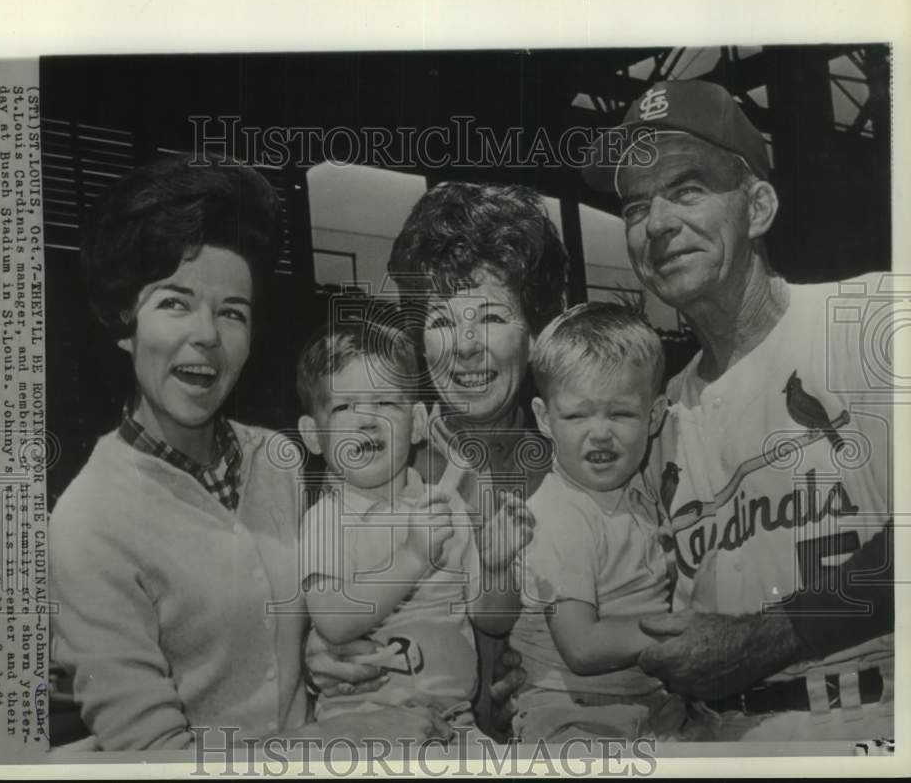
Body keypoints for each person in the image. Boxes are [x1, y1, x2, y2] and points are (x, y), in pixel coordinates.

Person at [49, 154, 451, 751]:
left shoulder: (281, 460)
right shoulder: (87, 524)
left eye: (231, 312)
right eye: (174, 302)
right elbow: (158, 760)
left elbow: (321, 603)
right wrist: (343, 736)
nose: (207, 335)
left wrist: (321, 650)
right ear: (124, 321)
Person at [582, 79, 893, 741]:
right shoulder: (655, 421)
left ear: (756, 206)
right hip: (716, 739)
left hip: (878, 716)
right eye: (635, 206)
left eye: (688, 188)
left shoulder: (873, 319)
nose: (657, 223)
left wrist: (771, 635)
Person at [387, 181, 570, 740]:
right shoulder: (383, 470)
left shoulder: (584, 460)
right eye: (441, 322)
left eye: (490, 318)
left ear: (535, 332)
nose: (465, 347)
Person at [296, 320, 497, 737]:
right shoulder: (325, 520)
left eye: (386, 402)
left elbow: (489, 616)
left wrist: (501, 563)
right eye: (343, 407)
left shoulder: (448, 505)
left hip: (456, 725)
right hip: (361, 729)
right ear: (314, 436)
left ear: (419, 422)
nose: (367, 420)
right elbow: (333, 619)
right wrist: (413, 556)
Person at [511, 302, 684, 742]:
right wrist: (688, 630)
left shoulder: (641, 494)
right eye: (577, 415)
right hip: (569, 714)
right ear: (544, 418)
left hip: (652, 706)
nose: (601, 432)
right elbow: (582, 647)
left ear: (656, 415)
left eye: (621, 413)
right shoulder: (555, 513)